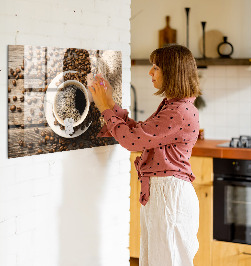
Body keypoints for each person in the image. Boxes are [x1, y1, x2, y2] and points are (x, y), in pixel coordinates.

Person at [89, 44, 201, 266]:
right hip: (164, 193)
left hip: (169, 195)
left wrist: (104, 108)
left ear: (172, 72)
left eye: (156, 67)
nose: (150, 72)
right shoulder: (174, 106)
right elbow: (140, 133)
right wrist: (110, 104)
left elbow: (132, 141)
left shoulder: (178, 111)